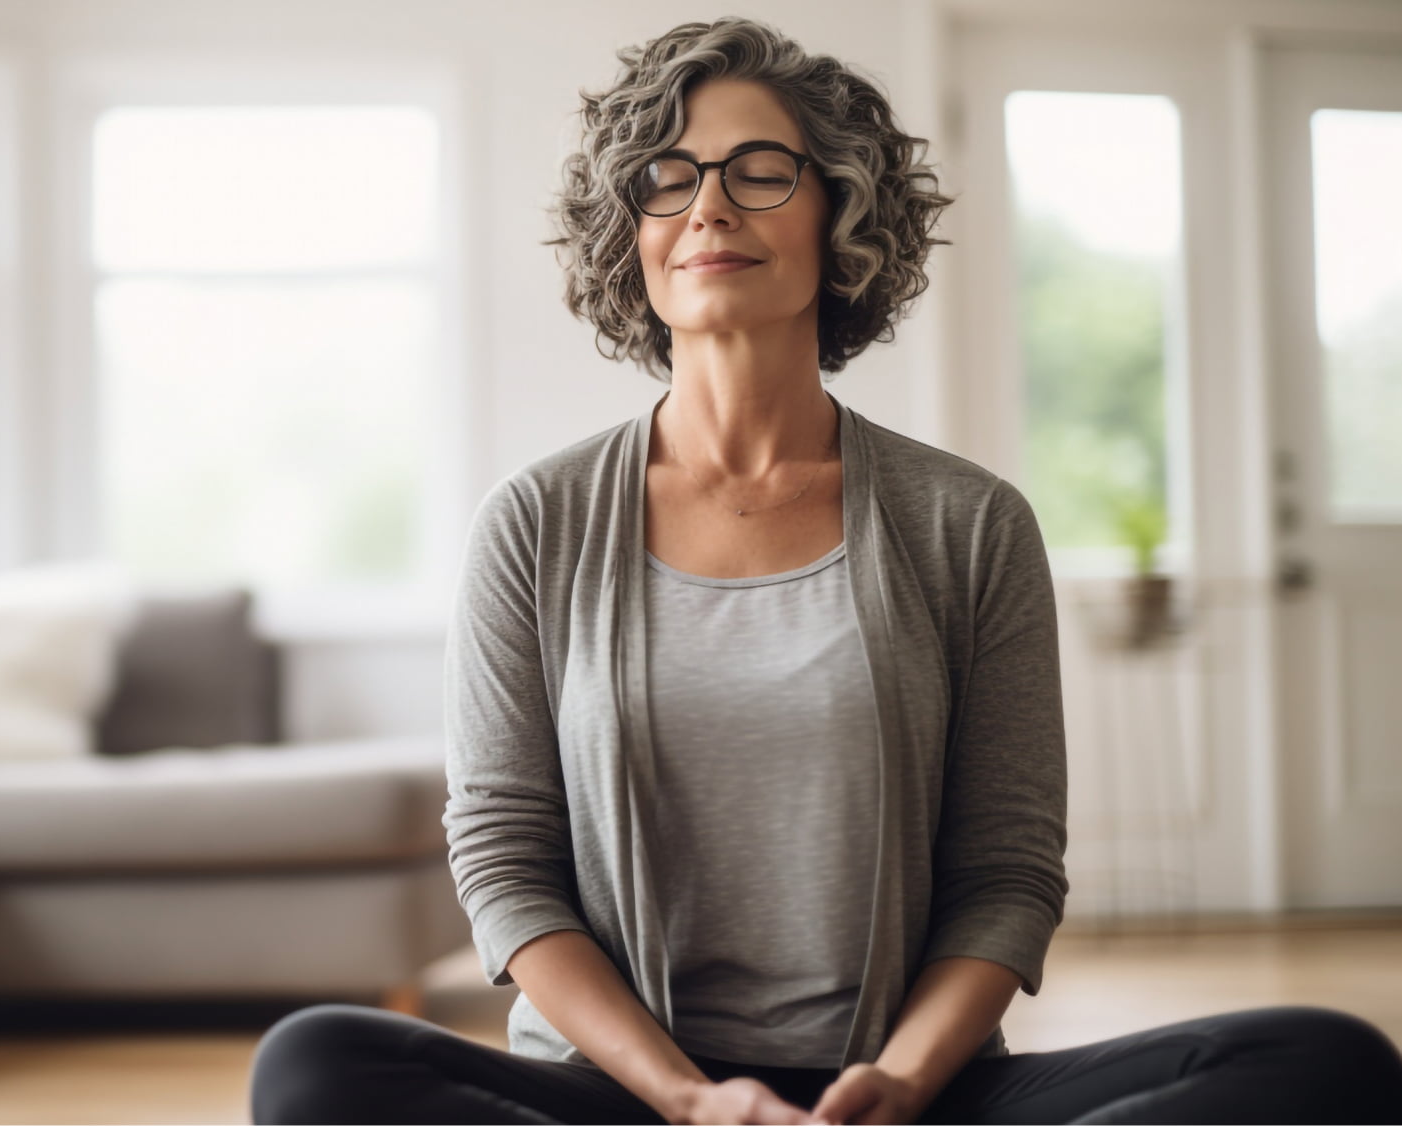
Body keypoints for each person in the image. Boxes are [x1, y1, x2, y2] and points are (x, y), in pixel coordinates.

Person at [248, 15, 1402, 1125]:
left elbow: (1005, 874)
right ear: (631, 231)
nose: (706, 206)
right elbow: (504, 868)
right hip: (626, 1098)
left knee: (1324, 1062)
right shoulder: (534, 524)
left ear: (841, 212)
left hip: (902, 1094)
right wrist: (690, 1098)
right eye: (667, 174)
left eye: (759, 171)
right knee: (316, 1065)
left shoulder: (971, 522)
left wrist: (897, 1085)